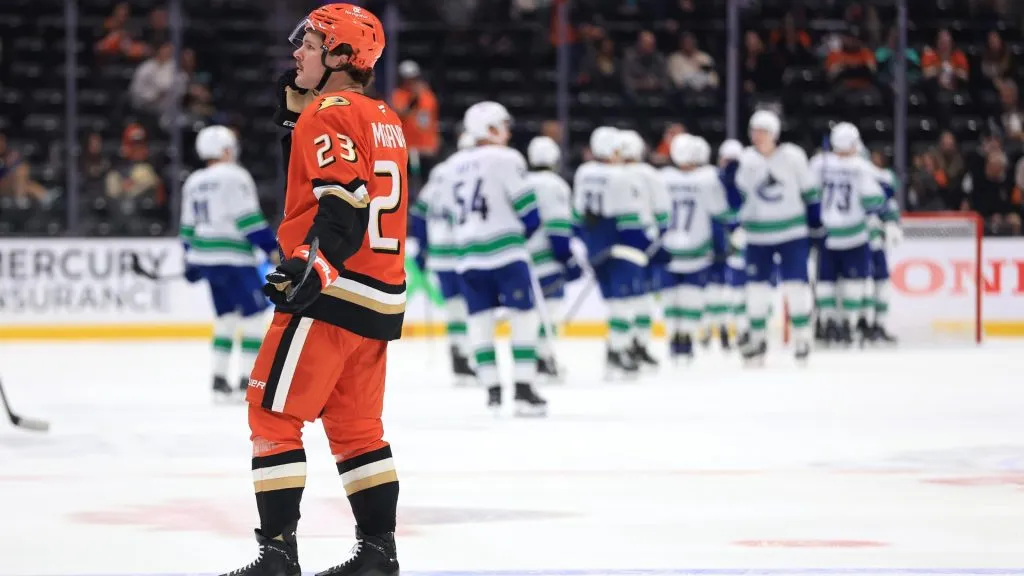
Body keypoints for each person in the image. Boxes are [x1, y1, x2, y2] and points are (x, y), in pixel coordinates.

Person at [221, 5, 407, 576]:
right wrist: (294, 123)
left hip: (330, 290)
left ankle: (276, 555)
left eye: (310, 44)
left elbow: (340, 201)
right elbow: (322, 181)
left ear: (340, 55)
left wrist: (313, 268)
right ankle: (378, 555)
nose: (296, 52)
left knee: (272, 414)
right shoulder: (383, 115)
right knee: (357, 431)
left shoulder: (327, 111)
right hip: (378, 296)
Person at [447, 101, 548, 416]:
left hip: (467, 256)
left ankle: (492, 391)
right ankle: (523, 388)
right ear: (490, 129)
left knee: (479, 322)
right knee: (523, 318)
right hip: (506, 253)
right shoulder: (507, 158)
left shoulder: (452, 165)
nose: (508, 131)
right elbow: (529, 212)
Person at [179, 125, 277, 401]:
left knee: (226, 317)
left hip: (206, 258)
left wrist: (190, 259)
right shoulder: (235, 176)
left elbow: (187, 228)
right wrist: (271, 247)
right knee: (255, 316)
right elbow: (248, 218)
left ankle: (219, 382)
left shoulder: (194, 180)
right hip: (235, 258)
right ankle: (248, 383)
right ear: (224, 149)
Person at [733, 110, 819, 365]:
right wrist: (735, 225)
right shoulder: (745, 160)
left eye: (762, 131)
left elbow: (810, 192)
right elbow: (737, 197)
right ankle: (758, 339)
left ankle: (802, 338)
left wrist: (816, 226)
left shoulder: (793, 156)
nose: (757, 136)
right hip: (757, 235)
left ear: (774, 134)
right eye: (754, 131)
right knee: (756, 290)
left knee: (796, 287)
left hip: (792, 232)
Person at [573, 126, 649, 377]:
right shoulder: (623, 176)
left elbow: (577, 215)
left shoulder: (583, 173)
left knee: (615, 303)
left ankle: (617, 351)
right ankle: (617, 352)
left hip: (595, 245)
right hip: (621, 246)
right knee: (623, 303)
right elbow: (629, 221)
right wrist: (645, 245)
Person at [809, 123, 886, 347]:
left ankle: (827, 323)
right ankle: (848, 326)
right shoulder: (861, 166)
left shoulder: (818, 163)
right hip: (855, 232)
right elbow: (876, 199)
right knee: (854, 281)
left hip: (826, 233)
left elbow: (808, 193)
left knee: (826, 281)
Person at [409, 131, 477, 384]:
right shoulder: (473, 172)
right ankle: (467, 355)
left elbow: (419, 213)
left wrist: (423, 246)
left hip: (440, 253)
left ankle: (458, 356)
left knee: (454, 306)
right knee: (471, 307)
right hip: (464, 251)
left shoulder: (439, 173)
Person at [657, 134, 731, 362]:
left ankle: (673, 338)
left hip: (667, 248)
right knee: (691, 297)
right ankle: (686, 339)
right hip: (698, 249)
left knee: (671, 297)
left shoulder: (662, 178)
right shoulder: (708, 179)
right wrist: (722, 248)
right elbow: (720, 215)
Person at [524, 135, 581, 381]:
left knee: (528, 314)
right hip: (547, 260)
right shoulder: (556, 185)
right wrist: (567, 258)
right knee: (550, 311)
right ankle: (543, 358)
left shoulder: (522, 180)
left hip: (522, 257)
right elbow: (558, 227)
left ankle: (530, 360)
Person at [617, 129, 669, 368]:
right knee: (643, 298)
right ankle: (637, 344)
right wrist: (658, 239)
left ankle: (622, 346)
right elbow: (663, 212)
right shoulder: (649, 174)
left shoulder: (612, 174)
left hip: (619, 245)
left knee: (623, 299)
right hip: (645, 242)